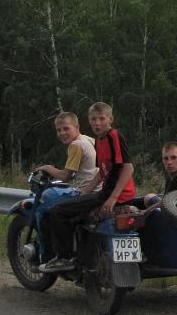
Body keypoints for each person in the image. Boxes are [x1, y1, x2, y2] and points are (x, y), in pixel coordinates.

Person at [40, 102, 137, 272]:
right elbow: (102, 172)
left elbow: (128, 168)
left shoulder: (113, 136)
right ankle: (83, 258)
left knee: (58, 211)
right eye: (93, 119)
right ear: (88, 121)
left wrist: (113, 198)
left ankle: (64, 257)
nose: (97, 123)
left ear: (110, 119)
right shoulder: (98, 141)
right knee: (74, 213)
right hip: (104, 192)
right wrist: (85, 193)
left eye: (101, 119)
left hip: (112, 195)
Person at [34, 112, 100, 192]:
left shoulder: (76, 145)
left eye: (66, 129)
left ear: (77, 127)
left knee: (51, 198)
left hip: (88, 193)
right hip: (100, 191)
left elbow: (65, 177)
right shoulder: (87, 139)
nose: (62, 133)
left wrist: (48, 168)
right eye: (59, 130)